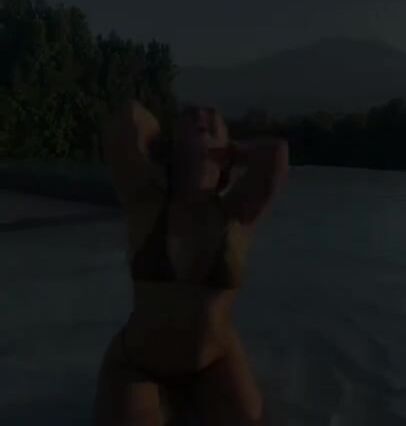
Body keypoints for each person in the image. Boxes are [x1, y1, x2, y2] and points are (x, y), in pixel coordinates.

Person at [93, 101, 289, 426]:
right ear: (172, 143)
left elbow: (277, 154)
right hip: (139, 364)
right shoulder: (144, 201)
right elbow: (128, 116)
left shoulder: (238, 213)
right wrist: (162, 148)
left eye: (213, 119)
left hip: (212, 362)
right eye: (190, 117)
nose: (202, 115)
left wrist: (233, 152)